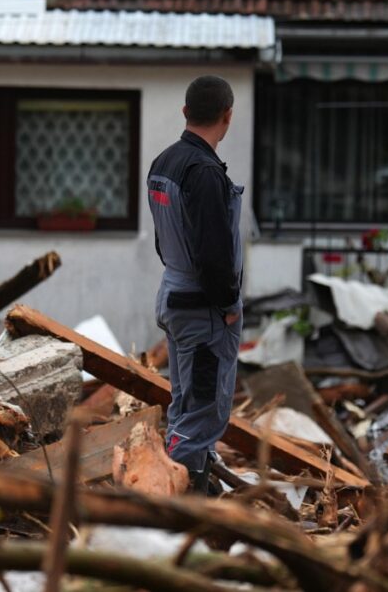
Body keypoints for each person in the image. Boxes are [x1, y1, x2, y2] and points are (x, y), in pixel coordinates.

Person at [147, 75, 243, 493]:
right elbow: (212, 253)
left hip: (175, 295)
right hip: (203, 310)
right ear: (228, 116)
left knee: (185, 407)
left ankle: (191, 489)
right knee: (203, 413)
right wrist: (228, 305)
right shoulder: (204, 172)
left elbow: (163, 239)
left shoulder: (164, 163)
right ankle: (176, 512)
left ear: (186, 112)